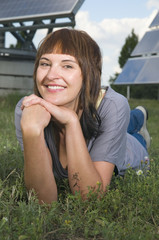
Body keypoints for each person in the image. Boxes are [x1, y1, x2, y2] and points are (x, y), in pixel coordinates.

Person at [14, 28, 150, 204]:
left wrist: (71, 121)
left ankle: (140, 118)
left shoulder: (114, 106)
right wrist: (32, 131)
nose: (51, 75)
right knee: (124, 123)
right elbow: (43, 201)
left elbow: (90, 197)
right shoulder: (27, 109)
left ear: (88, 74)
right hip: (103, 120)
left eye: (67, 65)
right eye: (45, 63)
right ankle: (136, 117)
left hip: (129, 148)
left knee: (132, 134)